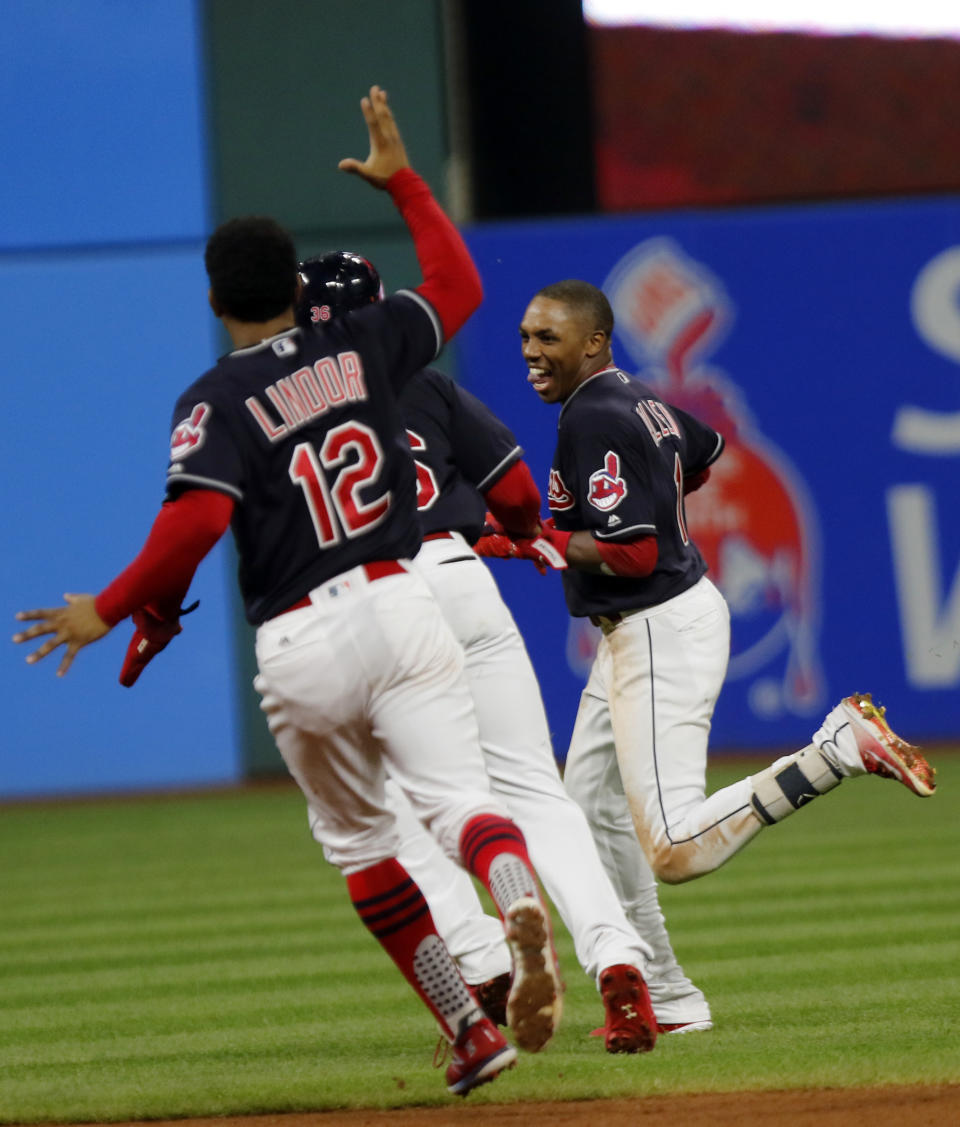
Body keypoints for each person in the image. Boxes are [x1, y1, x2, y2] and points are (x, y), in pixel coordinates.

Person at [11, 86, 565, 1099]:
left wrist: (122, 602)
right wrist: (403, 184)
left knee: (363, 845)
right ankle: (514, 884)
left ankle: (467, 1030)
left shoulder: (215, 397)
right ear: (297, 283)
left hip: (303, 638)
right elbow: (459, 281)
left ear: (218, 299)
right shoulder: (362, 344)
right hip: (403, 602)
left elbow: (195, 523)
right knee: (460, 806)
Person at [295, 251, 705, 1055]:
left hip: (364, 600)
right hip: (458, 578)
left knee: (387, 810)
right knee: (536, 792)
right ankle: (621, 964)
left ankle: (484, 963)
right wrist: (517, 535)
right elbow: (514, 490)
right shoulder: (427, 383)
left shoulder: (281, 406)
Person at [477, 277, 935, 965]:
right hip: (650, 623)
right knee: (590, 811)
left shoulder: (593, 414)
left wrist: (528, 538)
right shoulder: (633, 396)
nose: (532, 352)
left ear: (595, 340)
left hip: (655, 623)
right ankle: (666, 994)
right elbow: (703, 453)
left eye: (549, 337)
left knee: (672, 850)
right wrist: (646, 501)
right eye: (525, 337)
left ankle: (834, 750)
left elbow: (632, 555)